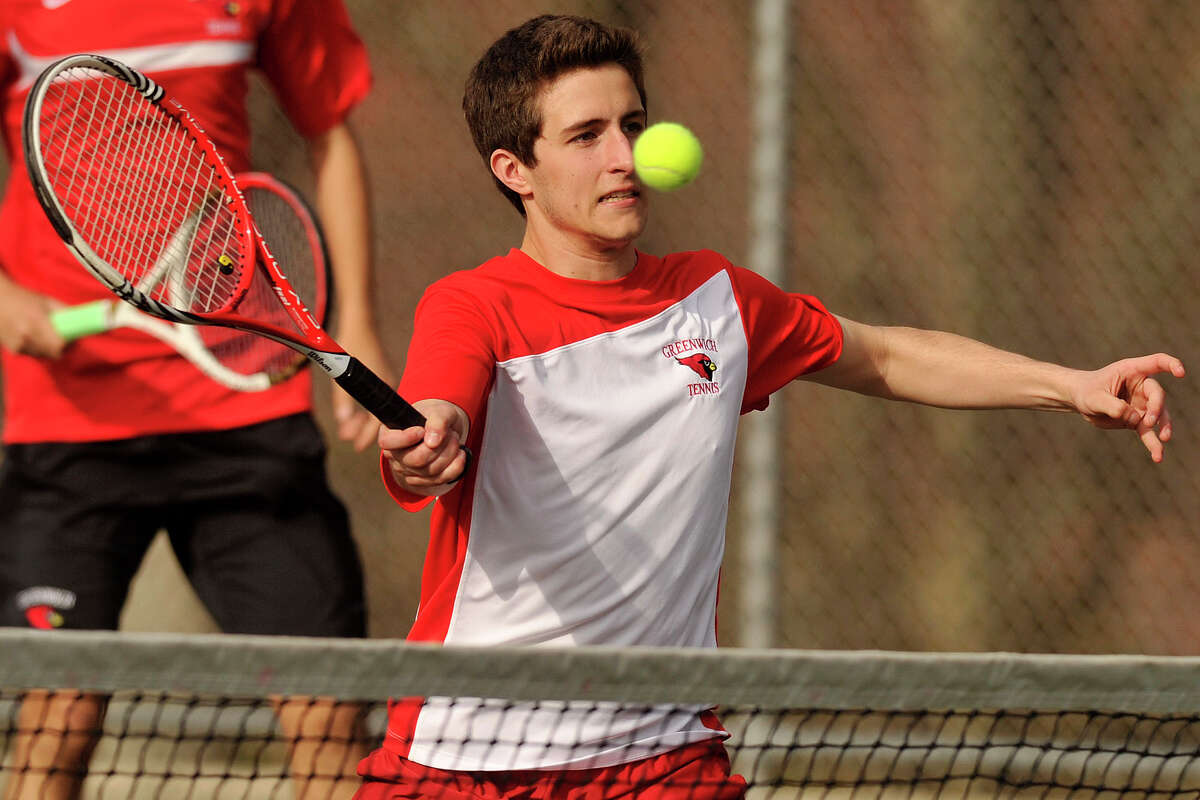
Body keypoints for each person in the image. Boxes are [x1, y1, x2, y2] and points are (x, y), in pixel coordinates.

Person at [357, 14, 1185, 800]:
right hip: (468, 747)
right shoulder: (472, 306)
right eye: (586, 136)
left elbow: (887, 355)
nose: (625, 155)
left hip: (659, 749)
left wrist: (1070, 387)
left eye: (633, 124)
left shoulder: (718, 303)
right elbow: (441, 403)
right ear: (515, 170)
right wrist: (432, 437)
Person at [0, 1, 394, 799]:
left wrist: (357, 320)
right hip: (67, 422)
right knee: (57, 716)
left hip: (243, 401)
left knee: (328, 712)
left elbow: (331, 131)